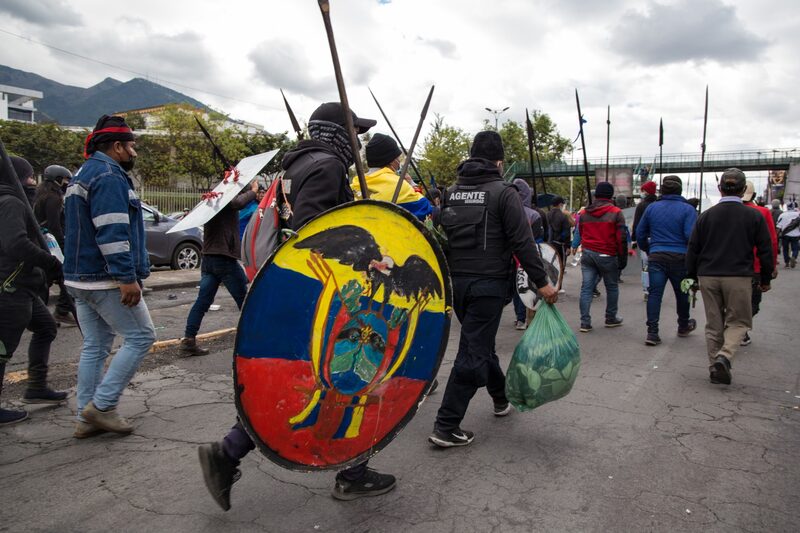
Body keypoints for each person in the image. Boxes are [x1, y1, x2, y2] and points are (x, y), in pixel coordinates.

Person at [198, 102, 397, 510]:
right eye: (354, 133)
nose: (359, 142)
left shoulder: (299, 163)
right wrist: (367, 257)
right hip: (322, 292)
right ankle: (352, 473)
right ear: (338, 131)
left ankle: (231, 450)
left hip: (302, 289)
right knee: (353, 377)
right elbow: (315, 231)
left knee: (312, 381)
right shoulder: (326, 166)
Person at [429, 131, 558, 449]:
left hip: (456, 285)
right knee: (472, 353)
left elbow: (439, 234)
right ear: (499, 161)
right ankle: (447, 425)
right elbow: (523, 243)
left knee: (479, 345)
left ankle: (501, 398)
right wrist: (542, 284)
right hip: (488, 286)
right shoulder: (504, 192)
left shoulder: (451, 192)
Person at [64, 115, 156, 437]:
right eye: (131, 146)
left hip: (78, 278)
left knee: (96, 345)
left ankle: (85, 417)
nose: (134, 152)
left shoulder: (82, 174)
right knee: (142, 336)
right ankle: (101, 407)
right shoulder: (109, 176)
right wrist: (125, 278)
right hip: (104, 278)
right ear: (117, 147)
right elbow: (112, 231)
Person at [686, 169, 773, 385]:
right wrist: (765, 278)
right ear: (744, 190)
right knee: (739, 321)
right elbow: (765, 249)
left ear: (720, 188)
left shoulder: (706, 216)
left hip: (708, 275)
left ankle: (714, 366)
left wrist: (691, 277)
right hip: (738, 276)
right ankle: (724, 356)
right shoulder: (753, 216)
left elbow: (693, 249)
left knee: (714, 323)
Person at [0, 156, 67, 425]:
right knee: (3, 349)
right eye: (28, 177)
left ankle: (36, 386)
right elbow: (16, 245)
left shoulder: (14, 202)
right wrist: (49, 261)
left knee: (46, 328)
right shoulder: (11, 203)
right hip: (10, 287)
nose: (32, 182)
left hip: (25, 286)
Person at [180, 179, 258, 356]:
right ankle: (256, 341)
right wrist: (253, 190)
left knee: (202, 301)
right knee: (245, 301)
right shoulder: (223, 200)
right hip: (224, 259)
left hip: (208, 259)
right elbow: (238, 202)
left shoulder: (210, 203)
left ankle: (189, 340)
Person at [635, 176, 697, 346]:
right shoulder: (688, 210)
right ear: (680, 190)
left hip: (657, 256)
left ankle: (652, 332)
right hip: (680, 258)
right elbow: (690, 236)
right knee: (683, 294)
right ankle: (683, 325)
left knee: (655, 294)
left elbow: (640, 232)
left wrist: (648, 248)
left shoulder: (652, 208)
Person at [571, 182, 627, 332]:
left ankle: (585, 322)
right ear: (611, 196)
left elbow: (580, 232)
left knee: (586, 288)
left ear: (596, 196)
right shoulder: (616, 212)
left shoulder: (583, 213)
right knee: (612, 287)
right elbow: (621, 237)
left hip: (588, 254)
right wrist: (622, 258)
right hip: (608, 254)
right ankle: (610, 317)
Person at [352, 133, 433, 221]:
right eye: (398, 158)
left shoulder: (355, 184)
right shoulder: (398, 185)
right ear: (391, 160)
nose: (399, 161)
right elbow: (425, 210)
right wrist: (411, 183)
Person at [33, 164, 77, 326]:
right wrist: (63, 245)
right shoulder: (54, 198)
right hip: (53, 245)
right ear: (57, 180)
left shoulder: (41, 195)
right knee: (68, 278)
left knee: (47, 279)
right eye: (65, 180)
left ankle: (42, 315)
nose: (66, 183)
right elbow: (54, 225)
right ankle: (61, 311)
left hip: (42, 243)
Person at [741, 180, 778, 346]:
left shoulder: (722, 211)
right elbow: (771, 242)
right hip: (755, 266)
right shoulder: (762, 212)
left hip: (729, 266)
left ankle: (734, 329)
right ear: (753, 195)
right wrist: (771, 268)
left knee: (730, 302)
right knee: (753, 303)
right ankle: (741, 331)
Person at [510, 178, 544, 330]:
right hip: (526, 258)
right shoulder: (534, 215)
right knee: (526, 288)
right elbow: (537, 240)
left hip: (509, 257)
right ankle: (524, 318)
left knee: (516, 288)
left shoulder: (505, 210)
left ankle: (519, 318)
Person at [632, 180, 658, 301]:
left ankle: (647, 290)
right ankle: (656, 287)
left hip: (646, 239)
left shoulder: (641, 206)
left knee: (646, 266)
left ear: (646, 192)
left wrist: (634, 240)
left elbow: (637, 225)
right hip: (658, 239)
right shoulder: (659, 204)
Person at [547, 195, 570, 268]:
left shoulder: (547, 214)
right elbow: (566, 233)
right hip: (560, 245)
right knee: (560, 266)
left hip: (548, 244)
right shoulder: (563, 216)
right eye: (562, 204)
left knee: (550, 265)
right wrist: (568, 246)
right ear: (560, 204)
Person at [776, 203, 800, 268]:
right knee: (795, 248)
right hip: (796, 235)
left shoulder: (782, 215)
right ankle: (794, 257)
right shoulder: (798, 214)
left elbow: (778, 227)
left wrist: (776, 235)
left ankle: (787, 263)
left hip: (785, 235)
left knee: (785, 249)